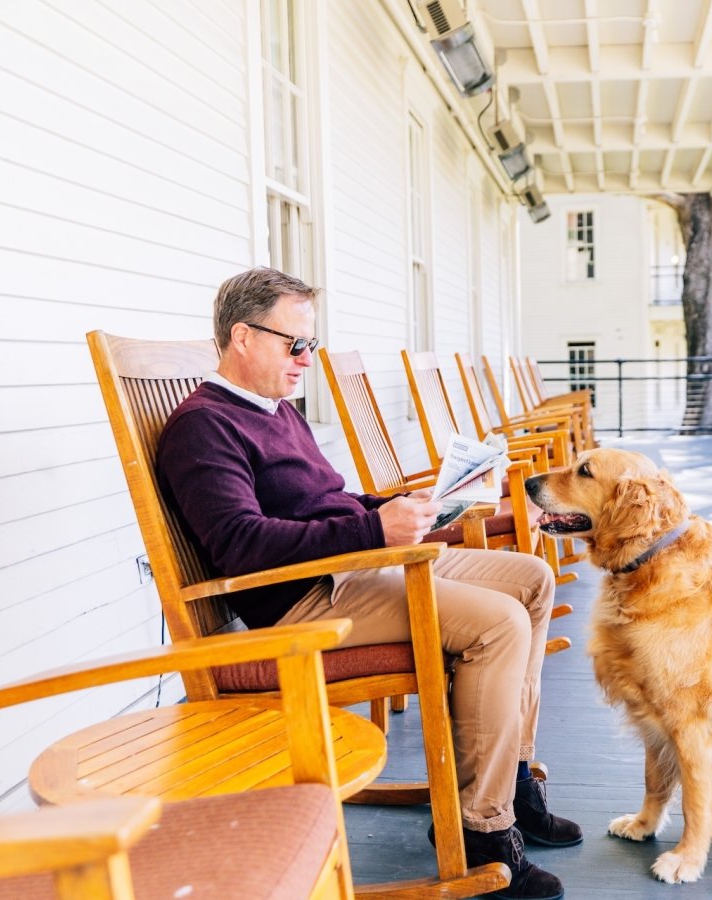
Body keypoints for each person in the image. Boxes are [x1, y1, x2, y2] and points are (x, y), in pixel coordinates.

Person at [156, 267, 581, 900]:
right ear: (242, 338)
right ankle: (481, 831)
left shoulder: (276, 411)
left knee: (531, 578)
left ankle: (510, 776)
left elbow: (331, 500)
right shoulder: (204, 427)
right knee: (498, 624)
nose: (306, 359)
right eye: (293, 343)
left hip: (355, 568)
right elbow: (242, 545)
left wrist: (422, 506)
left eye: (311, 345)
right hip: (304, 599)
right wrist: (371, 532)